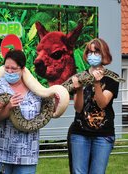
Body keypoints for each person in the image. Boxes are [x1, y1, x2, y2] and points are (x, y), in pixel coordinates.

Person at [68, 38, 119, 174]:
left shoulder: (112, 78)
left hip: (103, 134)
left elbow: (102, 104)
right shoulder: (80, 77)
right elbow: (78, 108)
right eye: (90, 52)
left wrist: (97, 84)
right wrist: (78, 89)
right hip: (80, 133)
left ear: (104, 54)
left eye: (96, 51)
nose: (92, 55)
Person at [0, 49, 42, 174]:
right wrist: (9, 107)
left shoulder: (36, 89)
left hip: (27, 153)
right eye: (7, 68)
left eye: (14, 69)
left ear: (22, 69)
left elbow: (48, 112)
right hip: (0, 151)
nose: (9, 71)